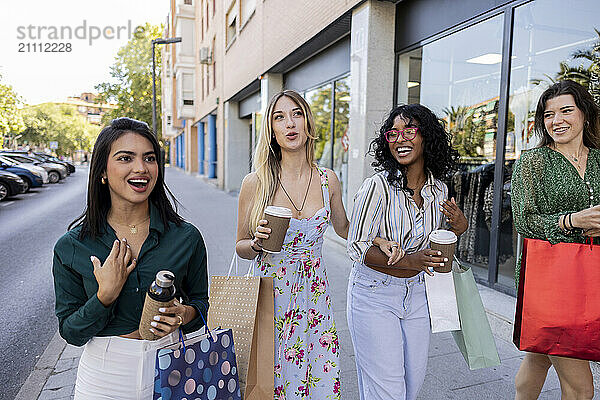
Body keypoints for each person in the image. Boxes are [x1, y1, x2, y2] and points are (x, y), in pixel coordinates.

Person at [52, 117, 209, 399]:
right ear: (102, 171)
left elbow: (201, 304)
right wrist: (104, 297)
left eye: (149, 158)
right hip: (105, 376)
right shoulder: (72, 246)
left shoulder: (186, 237)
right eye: (125, 158)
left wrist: (185, 314)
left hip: (174, 367)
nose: (141, 168)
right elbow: (71, 333)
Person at [346, 104, 468, 400]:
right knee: (387, 391)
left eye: (409, 131)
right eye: (393, 134)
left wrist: (458, 229)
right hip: (374, 295)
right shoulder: (377, 187)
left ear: (427, 137)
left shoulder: (438, 190)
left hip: (417, 295)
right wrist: (410, 260)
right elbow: (357, 247)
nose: (400, 139)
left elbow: (436, 246)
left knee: (411, 387)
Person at [236, 90, 349, 399]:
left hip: (315, 296)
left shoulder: (329, 180)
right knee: (270, 377)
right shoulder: (256, 182)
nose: (290, 123)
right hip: (271, 293)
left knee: (319, 374)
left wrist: (377, 235)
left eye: (297, 114)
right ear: (272, 131)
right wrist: (257, 243)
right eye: (279, 117)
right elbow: (240, 246)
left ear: (308, 123)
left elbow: (345, 229)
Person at [512, 80, 600, 400]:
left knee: (539, 357)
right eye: (548, 114)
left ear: (585, 115)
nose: (556, 120)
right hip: (549, 280)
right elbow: (524, 221)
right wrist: (572, 221)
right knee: (581, 389)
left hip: (589, 277)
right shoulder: (533, 162)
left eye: (566, 110)